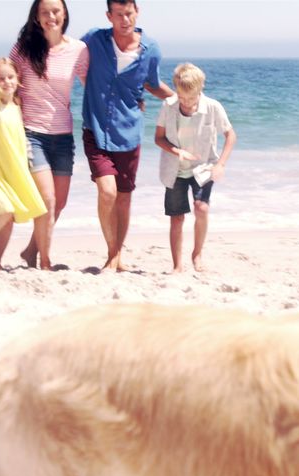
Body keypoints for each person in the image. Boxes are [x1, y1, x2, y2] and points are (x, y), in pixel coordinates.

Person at [0, 0, 89, 271]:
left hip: (63, 135)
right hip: (31, 134)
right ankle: (45, 263)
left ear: (64, 14)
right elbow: (4, 80)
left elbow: (92, 87)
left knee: (58, 204)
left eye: (56, 11)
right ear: (36, 17)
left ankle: (30, 251)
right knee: (46, 200)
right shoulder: (23, 49)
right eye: (45, 12)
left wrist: (129, 101)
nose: (51, 16)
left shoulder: (79, 50)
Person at [81, 0, 173, 271]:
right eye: (118, 15)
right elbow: (69, 60)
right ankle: (112, 254)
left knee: (123, 196)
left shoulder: (151, 49)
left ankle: (117, 254)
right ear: (109, 16)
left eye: (129, 14)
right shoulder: (94, 40)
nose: (124, 20)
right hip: (95, 129)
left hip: (129, 132)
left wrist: (183, 99)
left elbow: (152, 84)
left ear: (137, 13)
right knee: (107, 192)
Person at [154, 63, 236, 273]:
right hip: (175, 169)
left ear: (200, 90)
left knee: (202, 208)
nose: (186, 103)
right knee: (177, 217)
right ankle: (177, 265)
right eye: (182, 97)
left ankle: (197, 254)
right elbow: (159, 138)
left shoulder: (213, 107)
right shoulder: (168, 105)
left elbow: (230, 136)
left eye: (191, 98)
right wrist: (176, 151)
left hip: (203, 166)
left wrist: (220, 165)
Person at [0, 58, 48, 272]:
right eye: (1, 78)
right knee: (5, 210)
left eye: (11, 77)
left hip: (14, 166)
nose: (6, 82)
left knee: (10, 218)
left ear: (18, 78)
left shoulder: (17, 103)